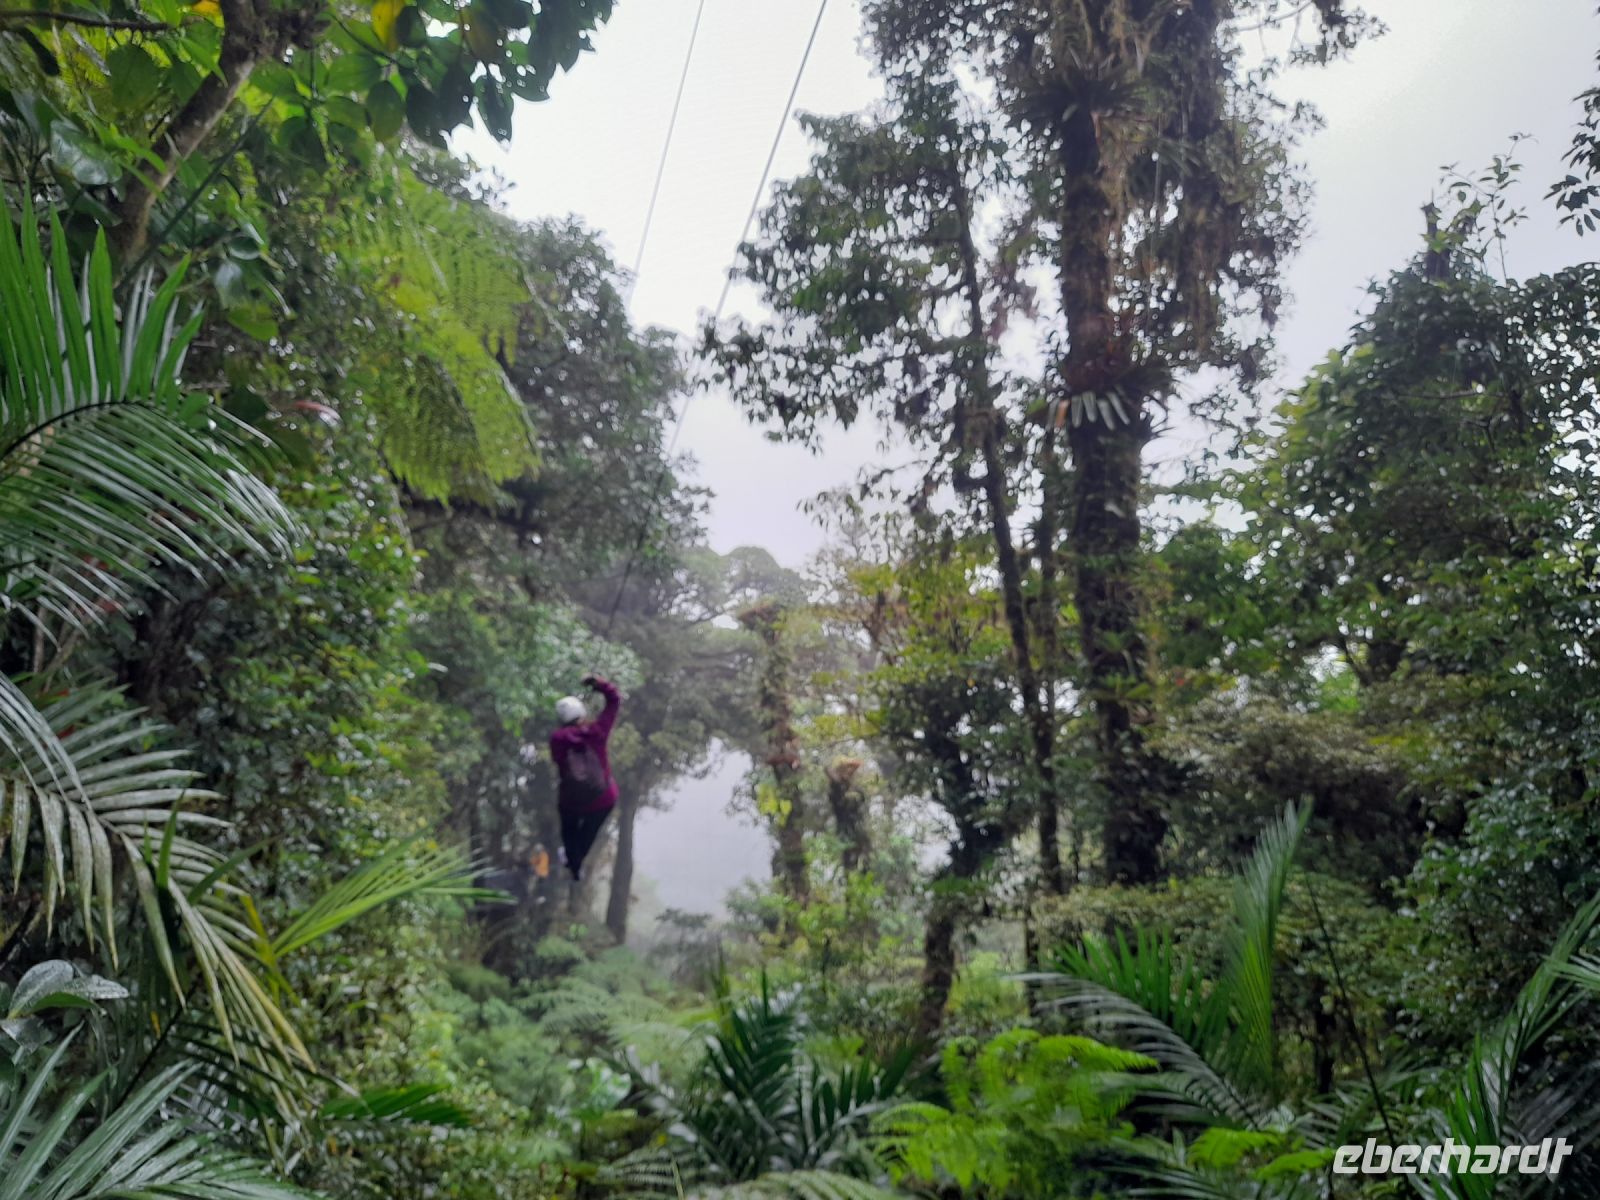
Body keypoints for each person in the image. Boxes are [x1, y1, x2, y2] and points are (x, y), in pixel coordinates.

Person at [549, 673, 621, 882]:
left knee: (569, 827)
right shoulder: (597, 732)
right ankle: (576, 860)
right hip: (602, 798)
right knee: (590, 830)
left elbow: (559, 762)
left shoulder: (557, 739)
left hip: (571, 800)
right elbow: (614, 700)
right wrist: (598, 683)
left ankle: (573, 861)